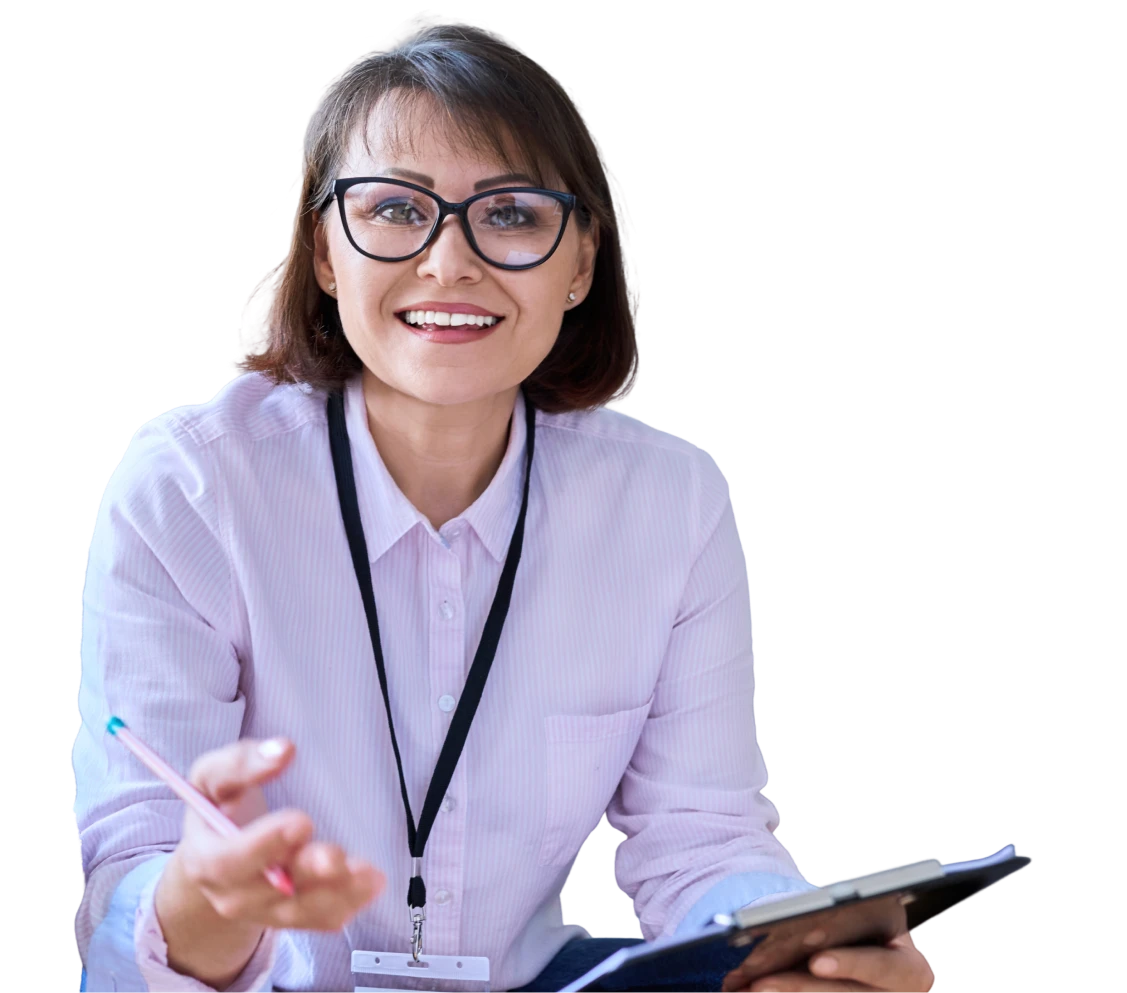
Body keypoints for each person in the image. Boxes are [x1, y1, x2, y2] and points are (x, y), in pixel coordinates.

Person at [73, 14, 934, 993]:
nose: (449, 262)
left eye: (513, 213)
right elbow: (130, 904)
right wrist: (207, 903)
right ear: (325, 252)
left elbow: (698, 838)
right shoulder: (190, 486)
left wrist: (799, 949)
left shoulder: (669, 501)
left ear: (580, 264)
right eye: (395, 208)